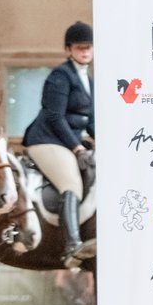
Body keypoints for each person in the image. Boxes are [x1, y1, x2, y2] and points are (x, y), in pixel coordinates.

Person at [23, 20, 93, 260]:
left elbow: (90, 121)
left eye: (88, 47)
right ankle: (72, 246)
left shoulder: (88, 80)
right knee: (71, 184)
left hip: (69, 139)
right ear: (68, 50)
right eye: (79, 47)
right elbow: (55, 116)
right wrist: (76, 148)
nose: (85, 51)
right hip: (47, 140)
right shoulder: (60, 76)